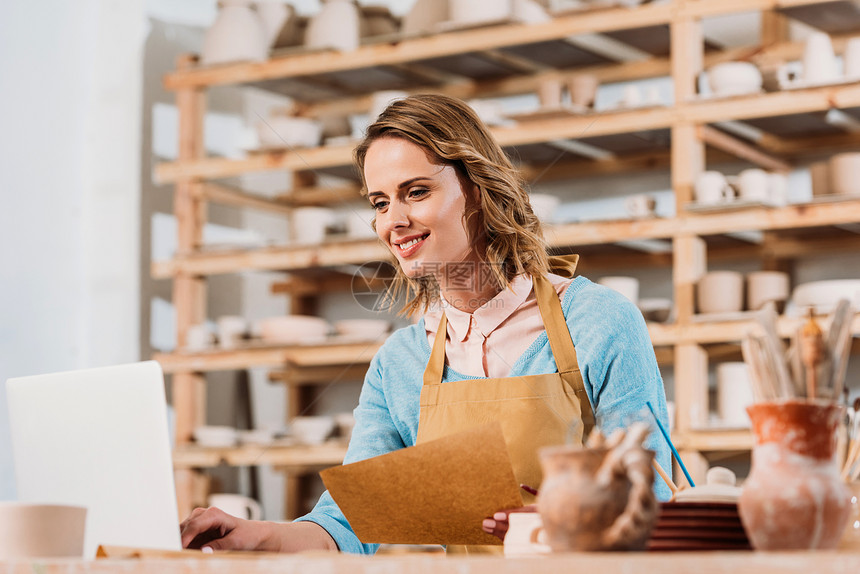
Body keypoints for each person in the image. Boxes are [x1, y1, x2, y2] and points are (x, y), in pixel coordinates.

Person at [179, 94, 672, 555]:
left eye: (415, 192)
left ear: (477, 192)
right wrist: (257, 535)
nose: (393, 220)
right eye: (379, 202)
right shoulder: (401, 362)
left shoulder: (598, 321)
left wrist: (566, 520)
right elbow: (348, 525)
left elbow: (653, 497)